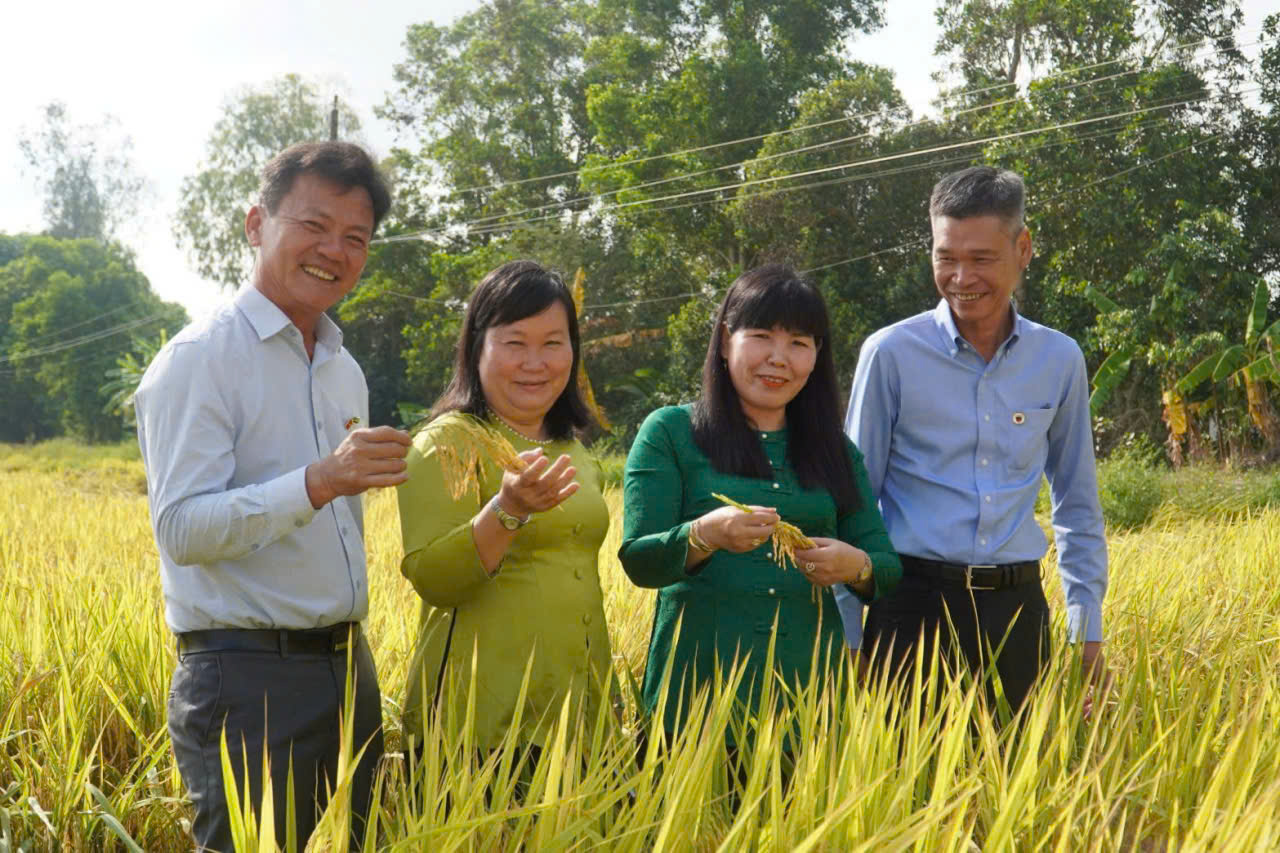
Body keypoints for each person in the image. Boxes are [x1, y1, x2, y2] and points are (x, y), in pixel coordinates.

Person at [135, 141, 407, 851]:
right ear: (257, 222)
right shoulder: (200, 361)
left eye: (356, 237)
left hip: (349, 667)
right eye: (313, 226)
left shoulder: (344, 370)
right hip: (247, 676)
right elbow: (183, 529)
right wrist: (320, 480)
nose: (333, 251)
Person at [839, 165, 1109, 716]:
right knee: (902, 790)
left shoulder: (1059, 359)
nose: (962, 277)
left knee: (1018, 788)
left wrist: (1087, 636)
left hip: (1016, 613)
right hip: (911, 607)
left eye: (981, 258)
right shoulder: (890, 354)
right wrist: (849, 635)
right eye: (946, 257)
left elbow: (1076, 506)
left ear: (1023, 248)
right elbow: (852, 502)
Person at [619, 264, 901, 753]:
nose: (778, 358)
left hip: (809, 699)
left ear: (816, 356)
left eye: (799, 342)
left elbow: (886, 565)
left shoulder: (835, 450)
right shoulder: (669, 432)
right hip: (695, 698)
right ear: (726, 341)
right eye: (761, 336)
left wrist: (855, 565)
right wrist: (703, 535)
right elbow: (639, 560)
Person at [396, 260, 613, 765]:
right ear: (478, 349)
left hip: (575, 716)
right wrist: (507, 511)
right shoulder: (446, 443)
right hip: (479, 726)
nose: (535, 362)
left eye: (553, 343)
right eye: (514, 343)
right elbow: (433, 579)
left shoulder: (573, 448)